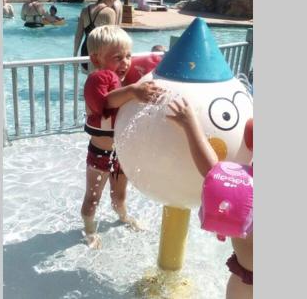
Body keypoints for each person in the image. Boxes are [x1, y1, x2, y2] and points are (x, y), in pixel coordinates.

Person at [81, 25, 164, 249]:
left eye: (128, 56)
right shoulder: (97, 79)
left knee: (119, 195)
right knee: (93, 198)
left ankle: (123, 216)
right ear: (96, 58)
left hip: (120, 153)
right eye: (118, 57)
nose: (126, 62)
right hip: (100, 153)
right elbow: (104, 103)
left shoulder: (122, 81)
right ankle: (89, 230)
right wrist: (134, 91)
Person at [167, 97, 253, 299]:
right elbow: (216, 173)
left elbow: (212, 171)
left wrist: (190, 124)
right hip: (245, 277)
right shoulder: (249, 184)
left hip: (245, 280)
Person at [73, 0, 118, 71]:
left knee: (89, 81)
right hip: (100, 54)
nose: (115, 1)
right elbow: (111, 38)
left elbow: (78, 35)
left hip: (85, 52)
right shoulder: (109, 12)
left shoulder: (85, 10)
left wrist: (75, 55)